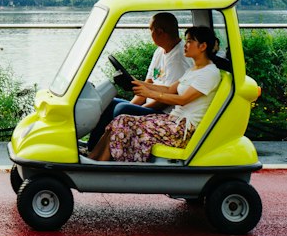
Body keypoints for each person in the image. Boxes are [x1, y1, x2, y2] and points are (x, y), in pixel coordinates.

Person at [86, 26, 224, 164]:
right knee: (118, 122)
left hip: (181, 130)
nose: (185, 45)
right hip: (173, 121)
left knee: (123, 120)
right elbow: (170, 89)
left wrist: (149, 93)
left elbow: (183, 99)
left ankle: (102, 165)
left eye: (189, 41)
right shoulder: (193, 70)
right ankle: (92, 160)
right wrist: (138, 83)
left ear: (203, 46)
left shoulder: (209, 73)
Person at [84, 11, 190, 153]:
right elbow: (145, 85)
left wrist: (135, 107)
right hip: (151, 106)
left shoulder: (179, 59)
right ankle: (91, 150)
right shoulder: (160, 51)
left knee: (122, 109)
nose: (150, 34)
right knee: (109, 102)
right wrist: (132, 104)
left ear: (159, 32)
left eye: (150, 30)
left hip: (164, 112)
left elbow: (167, 99)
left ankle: (109, 153)